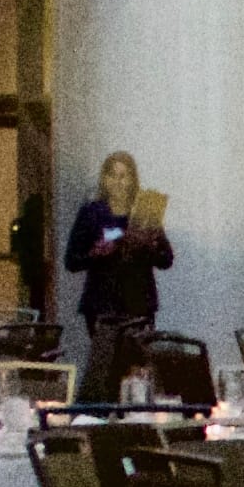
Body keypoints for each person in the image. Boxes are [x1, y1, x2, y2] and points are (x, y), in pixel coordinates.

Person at [65, 151, 173, 395]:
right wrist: (96, 253)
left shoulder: (144, 213)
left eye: (124, 176)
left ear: (133, 179)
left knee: (137, 373)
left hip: (139, 304)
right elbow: (72, 261)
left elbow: (166, 260)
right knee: (106, 373)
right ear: (104, 179)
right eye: (112, 175)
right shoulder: (91, 213)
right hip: (102, 306)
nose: (118, 182)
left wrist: (148, 245)